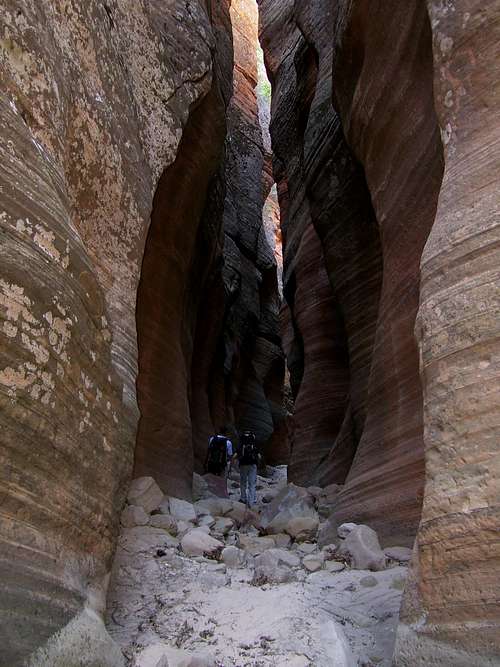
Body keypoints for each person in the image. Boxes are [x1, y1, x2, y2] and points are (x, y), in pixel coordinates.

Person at [236, 429, 260, 507]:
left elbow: (237, 453)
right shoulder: (254, 443)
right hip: (252, 465)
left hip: (243, 464)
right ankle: (251, 502)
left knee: (243, 482)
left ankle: (243, 498)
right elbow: (258, 455)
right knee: (252, 484)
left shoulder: (241, 442)